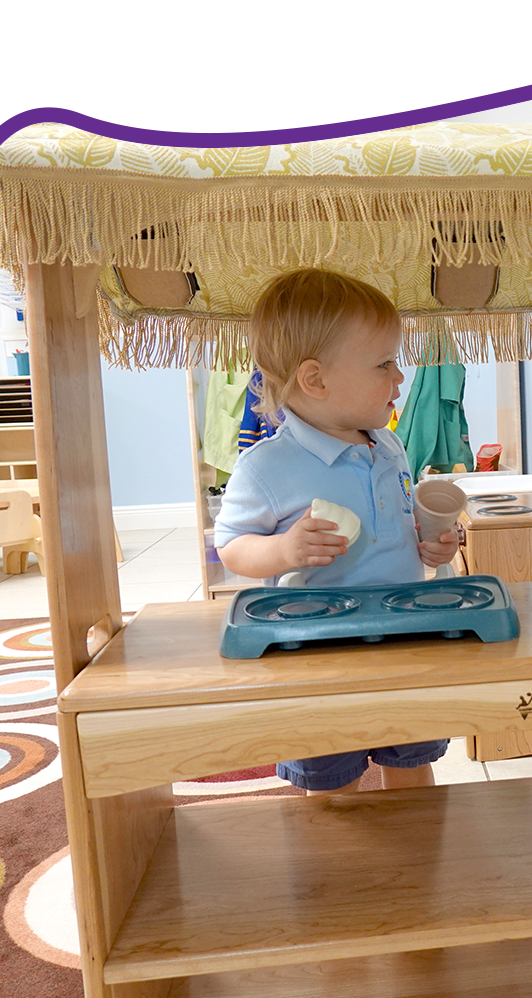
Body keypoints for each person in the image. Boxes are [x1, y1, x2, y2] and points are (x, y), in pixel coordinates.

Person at [214, 268, 459, 794]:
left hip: (403, 637)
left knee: (412, 757)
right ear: (316, 380)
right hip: (317, 651)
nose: (400, 378)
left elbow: (398, 526)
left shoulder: (388, 446)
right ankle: (333, 872)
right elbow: (232, 547)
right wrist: (283, 548)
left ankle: (421, 859)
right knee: (329, 781)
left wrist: (431, 543)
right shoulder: (266, 467)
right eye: (385, 364)